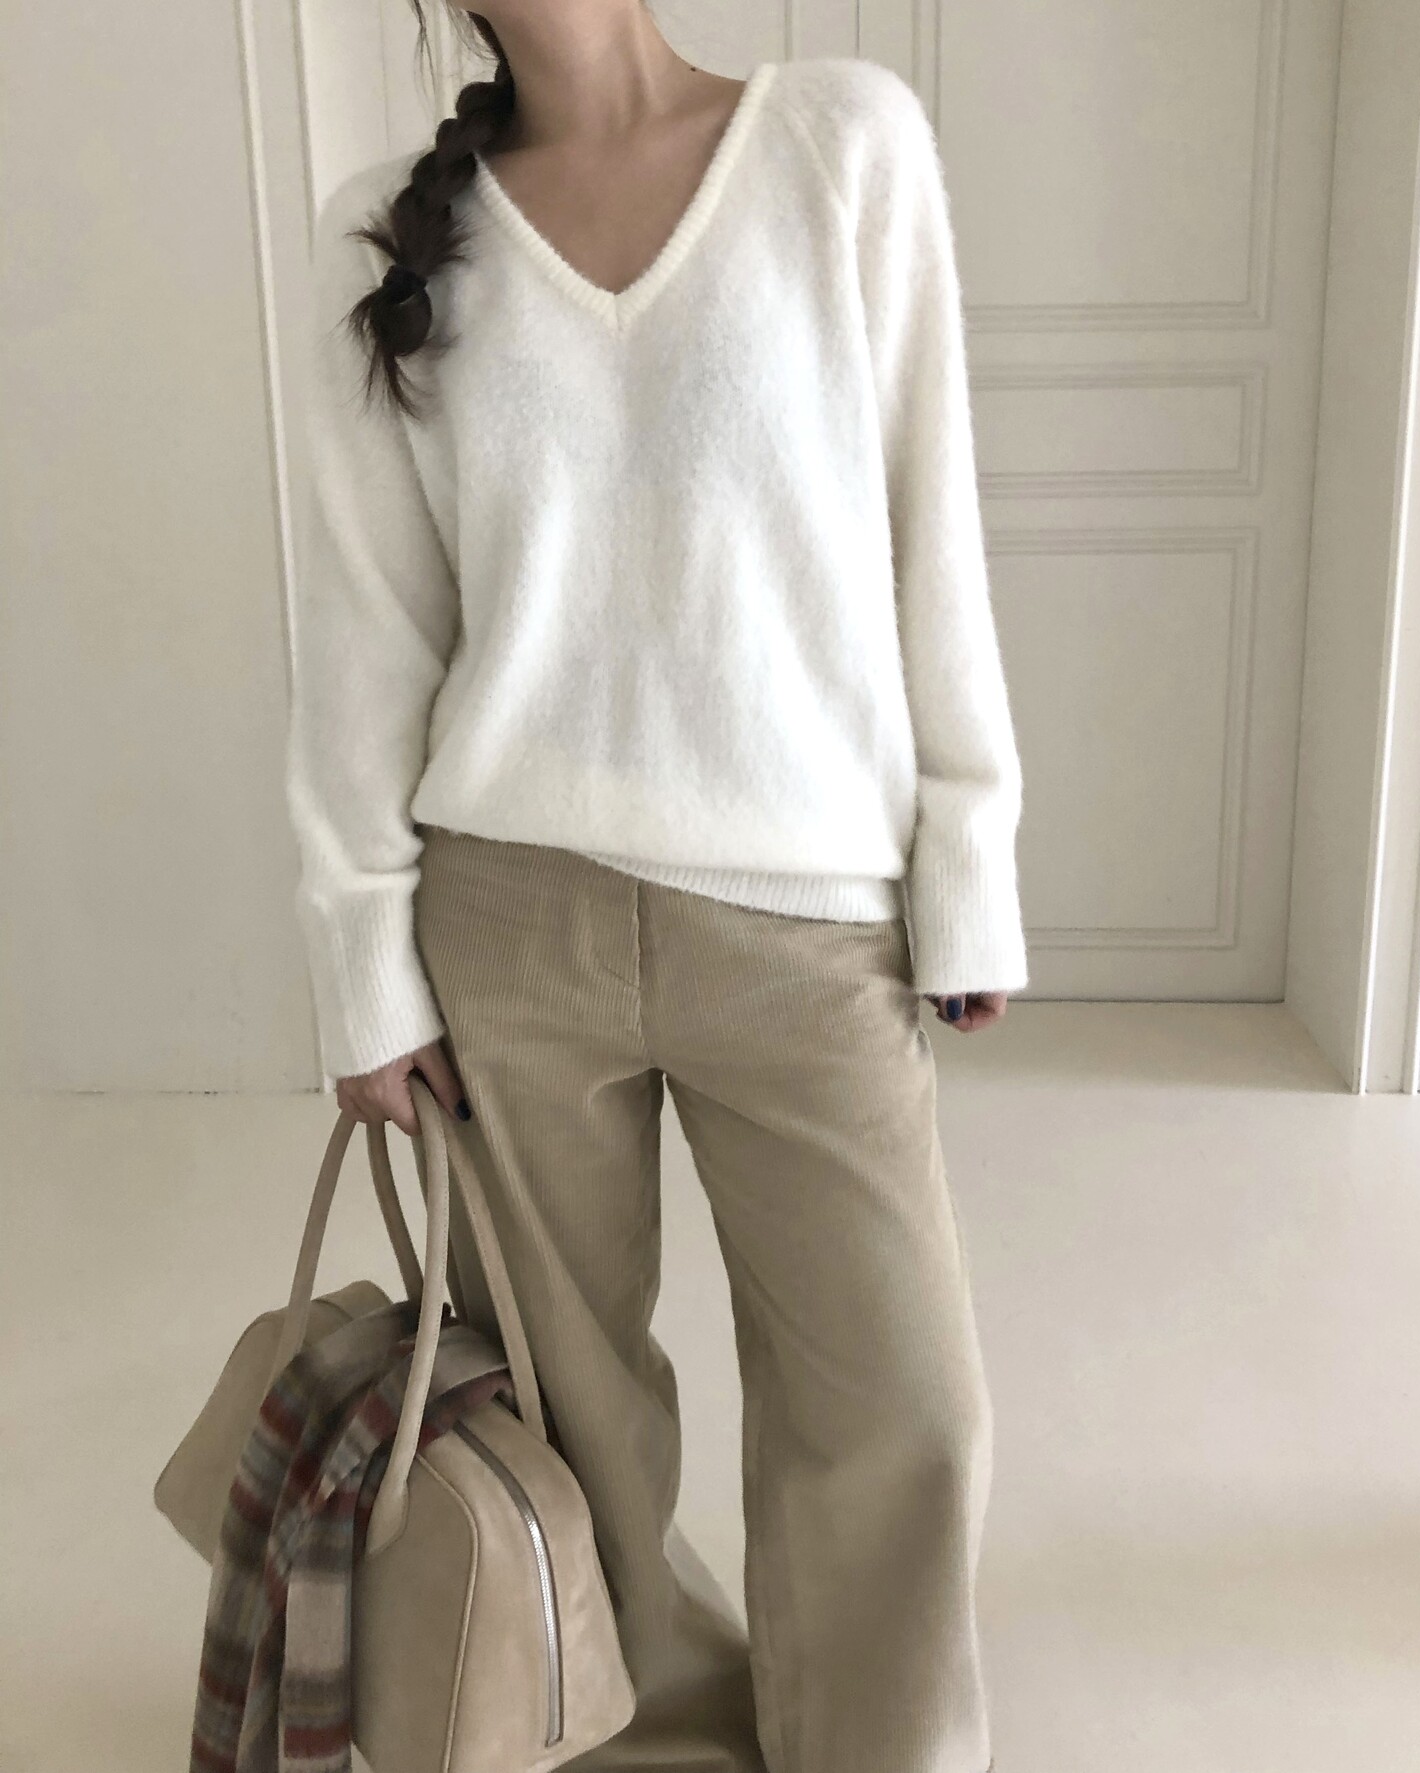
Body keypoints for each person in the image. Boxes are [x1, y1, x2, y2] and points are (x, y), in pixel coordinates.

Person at [283, 5, 1026, 1772]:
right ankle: (638, 1730)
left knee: (902, 1402)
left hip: (807, 923)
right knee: (572, 1420)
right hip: (507, 924)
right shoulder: (386, 234)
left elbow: (931, 520)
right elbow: (369, 629)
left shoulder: (840, 144)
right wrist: (364, 964)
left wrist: (969, 856)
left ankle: (874, 1744)